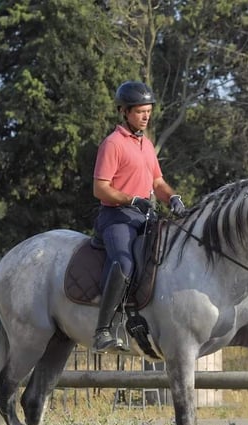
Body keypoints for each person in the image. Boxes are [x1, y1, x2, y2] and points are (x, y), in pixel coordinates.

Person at [91, 80, 186, 353]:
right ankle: (102, 330)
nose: (146, 117)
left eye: (148, 111)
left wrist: (174, 198)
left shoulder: (146, 145)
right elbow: (101, 187)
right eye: (140, 112)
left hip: (142, 215)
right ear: (124, 112)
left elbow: (158, 182)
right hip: (116, 216)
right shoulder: (113, 144)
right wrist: (132, 199)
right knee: (125, 262)